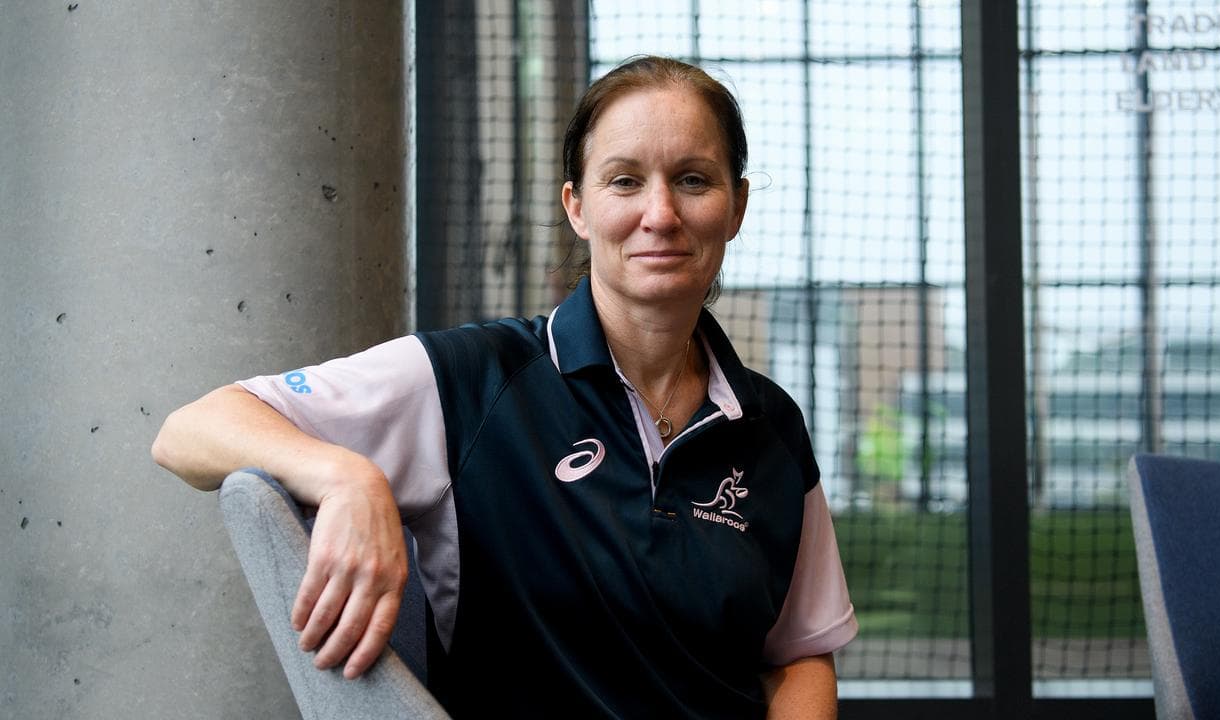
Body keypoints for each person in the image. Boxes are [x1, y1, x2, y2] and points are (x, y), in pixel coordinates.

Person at [153, 55, 857, 719]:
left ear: (735, 207)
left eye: (694, 180)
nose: (661, 213)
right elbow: (192, 431)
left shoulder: (773, 425)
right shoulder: (473, 378)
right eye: (624, 181)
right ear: (577, 208)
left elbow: (799, 655)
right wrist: (345, 477)